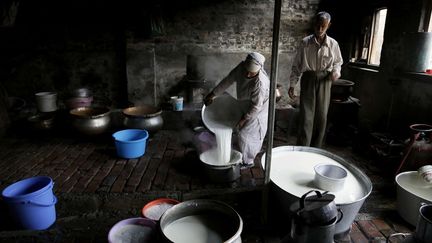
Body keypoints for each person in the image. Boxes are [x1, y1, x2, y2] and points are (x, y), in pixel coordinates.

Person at [204, 52, 270, 169]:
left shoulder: (260, 83)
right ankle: (244, 152)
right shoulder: (241, 68)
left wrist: (244, 119)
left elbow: (255, 107)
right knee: (240, 131)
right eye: (247, 70)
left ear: (259, 69)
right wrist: (212, 94)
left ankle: (248, 161)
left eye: (252, 72)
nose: (249, 74)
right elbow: (228, 80)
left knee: (248, 133)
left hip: (258, 108)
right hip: (245, 102)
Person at [288, 11, 343, 148]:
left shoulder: (333, 44)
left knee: (321, 117)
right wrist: (292, 84)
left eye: (323, 26)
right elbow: (297, 66)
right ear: (314, 24)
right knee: (306, 116)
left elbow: (338, 62)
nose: (319, 29)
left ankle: (316, 149)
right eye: (317, 26)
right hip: (308, 79)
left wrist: (336, 72)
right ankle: (303, 147)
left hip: (325, 80)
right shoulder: (305, 43)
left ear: (328, 25)